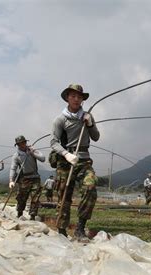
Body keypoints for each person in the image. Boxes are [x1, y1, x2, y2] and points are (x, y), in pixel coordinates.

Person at [51, 84, 100, 239]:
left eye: (79, 97)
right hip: (66, 161)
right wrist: (66, 154)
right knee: (64, 195)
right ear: (67, 98)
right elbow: (53, 142)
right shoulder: (60, 120)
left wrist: (90, 124)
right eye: (73, 96)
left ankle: (80, 228)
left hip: (84, 160)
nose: (76, 99)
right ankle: (62, 230)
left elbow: (96, 137)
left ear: (82, 100)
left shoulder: (87, 116)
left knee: (90, 187)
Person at [9, 135, 45, 220]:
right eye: (19, 144)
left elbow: (43, 158)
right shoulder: (16, 156)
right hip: (24, 179)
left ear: (25, 142)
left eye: (23, 143)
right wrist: (11, 180)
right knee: (22, 197)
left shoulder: (32, 150)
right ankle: (19, 213)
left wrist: (33, 153)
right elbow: (13, 168)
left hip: (35, 177)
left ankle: (32, 216)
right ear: (17, 145)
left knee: (35, 197)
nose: (22, 145)